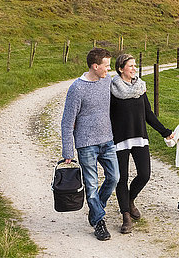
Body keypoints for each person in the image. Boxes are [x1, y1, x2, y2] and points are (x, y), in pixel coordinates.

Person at [110, 54, 173, 234]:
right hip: (120, 139)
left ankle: (129, 200)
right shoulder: (112, 89)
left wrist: (165, 132)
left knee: (144, 174)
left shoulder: (140, 87)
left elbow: (148, 114)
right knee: (121, 178)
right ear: (121, 69)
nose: (134, 68)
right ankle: (126, 216)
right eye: (130, 66)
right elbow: (105, 116)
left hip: (139, 137)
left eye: (135, 65)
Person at [60, 48, 119, 241]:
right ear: (95, 66)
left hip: (107, 140)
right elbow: (67, 121)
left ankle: (95, 209)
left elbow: (124, 87)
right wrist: (68, 150)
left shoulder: (106, 81)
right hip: (86, 144)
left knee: (114, 178)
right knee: (91, 185)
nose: (109, 70)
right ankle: (99, 222)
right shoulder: (77, 89)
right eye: (106, 66)